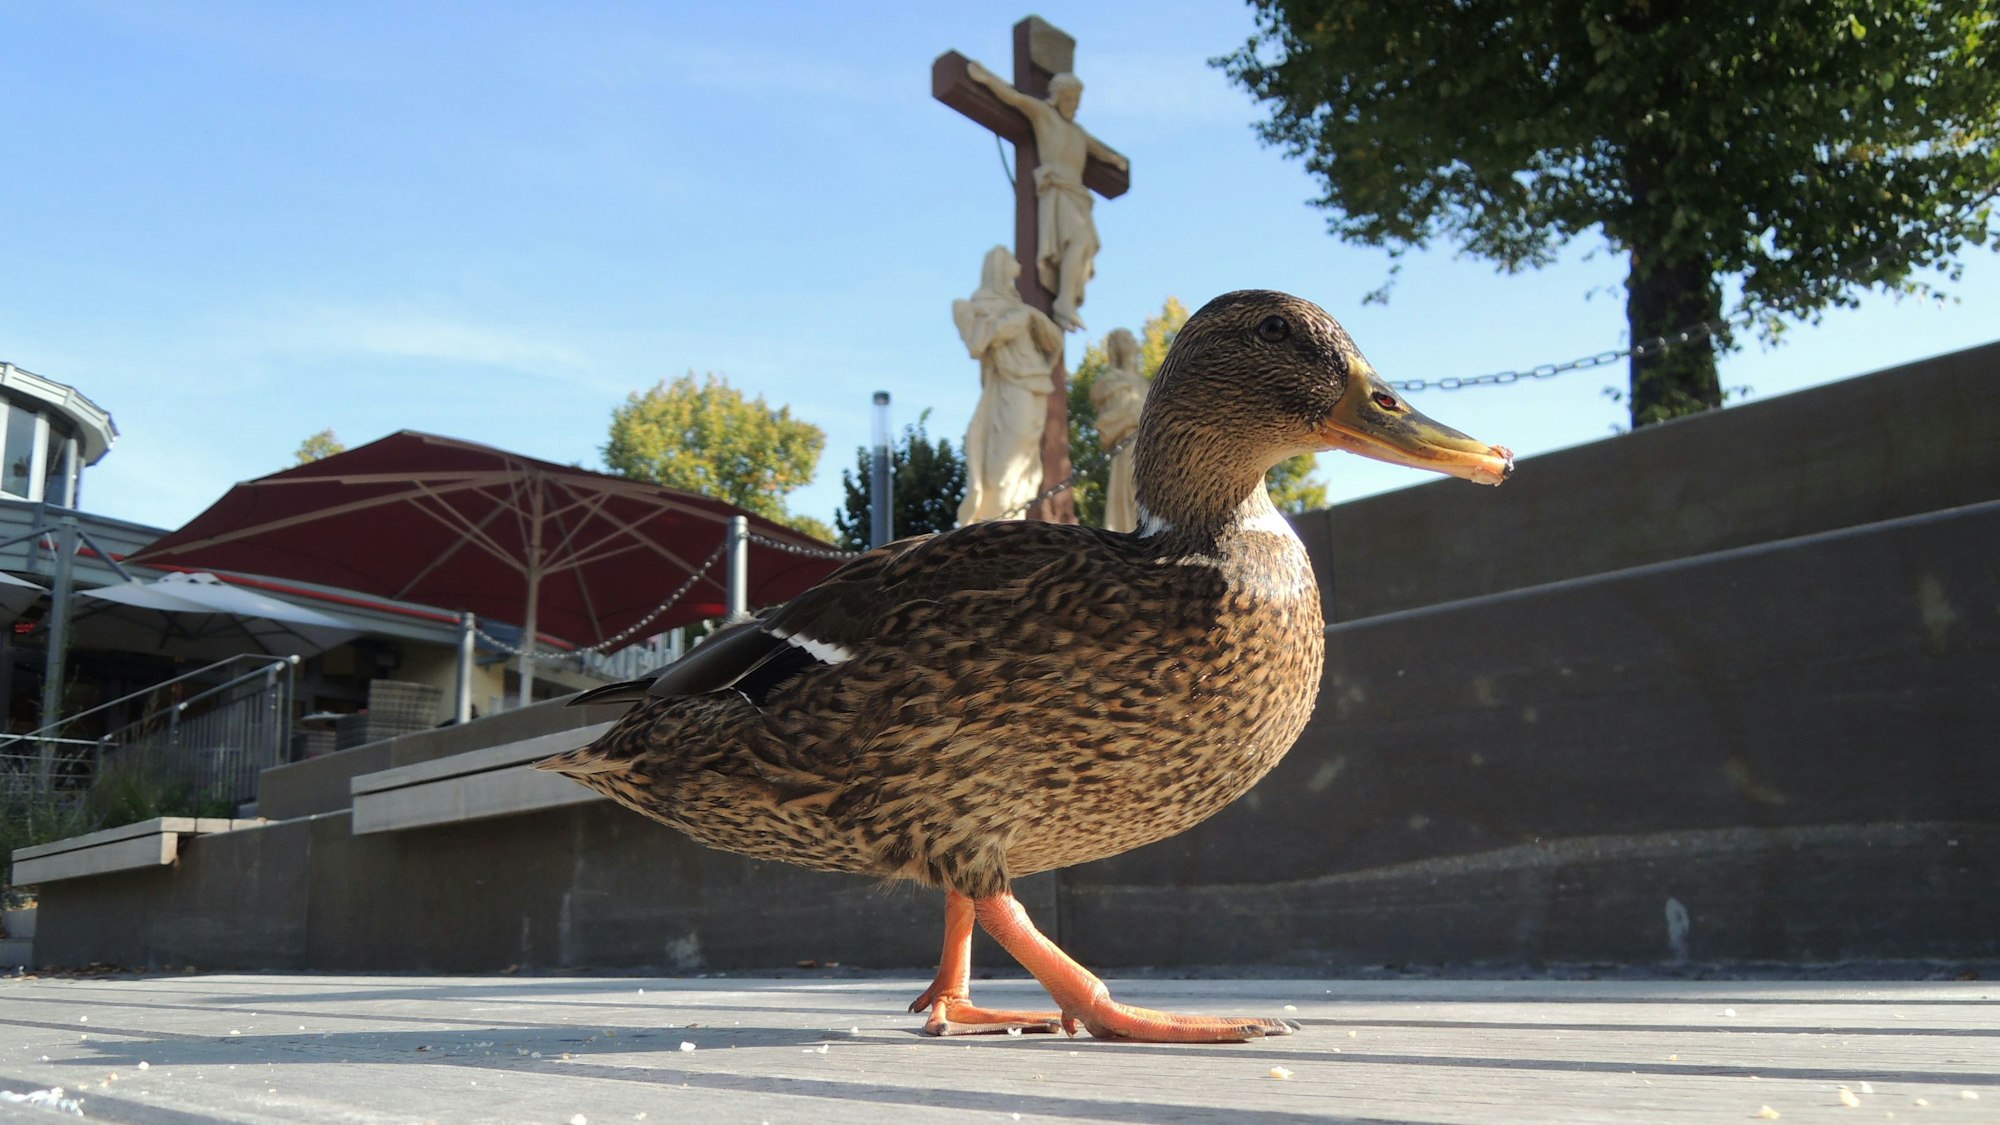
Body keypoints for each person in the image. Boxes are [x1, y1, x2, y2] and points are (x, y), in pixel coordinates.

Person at [965, 61, 1128, 332]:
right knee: (1078, 239)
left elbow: (1099, 151)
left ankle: (1067, 300)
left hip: (1077, 196)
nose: (1075, 105)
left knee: (1085, 244)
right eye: (1071, 98)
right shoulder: (1044, 115)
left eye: (1078, 100)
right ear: (1058, 95)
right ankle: (1064, 302)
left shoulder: (1078, 132)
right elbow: (1014, 98)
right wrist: (985, 79)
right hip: (1057, 191)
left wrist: (1116, 160)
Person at [954, 246, 1064, 524]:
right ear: (998, 270)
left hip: (1034, 384)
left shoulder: (1022, 311)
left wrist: (1028, 319)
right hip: (1009, 387)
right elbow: (977, 344)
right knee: (1005, 459)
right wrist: (1014, 321)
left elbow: (1054, 342)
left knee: (1025, 458)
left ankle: (1012, 519)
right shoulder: (978, 307)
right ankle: (996, 522)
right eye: (1010, 266)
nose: (1016, 271)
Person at [1090, 328, 1146, 532]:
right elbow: (1124, 411)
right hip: (1128, 446)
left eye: (1130, 336)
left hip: (1151, 448)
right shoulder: (1110, 381)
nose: (1129, 340)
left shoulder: (1145, 383)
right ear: (1114, 348)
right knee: (1133, 497)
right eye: (1122, 338)